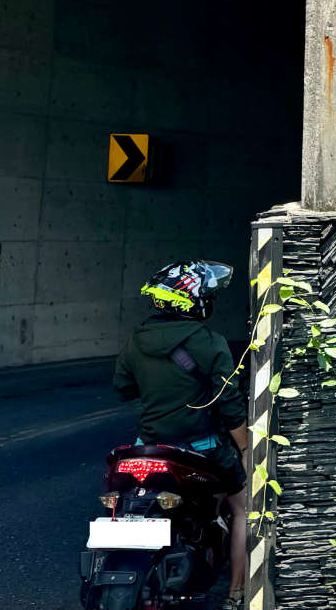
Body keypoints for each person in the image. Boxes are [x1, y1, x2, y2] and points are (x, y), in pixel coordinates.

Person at [112, 260, 250, 606]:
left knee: (123, 500)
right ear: (195, 301)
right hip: (200, 449)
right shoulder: (209, 341)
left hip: (148, 449)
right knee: (242, 507)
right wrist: (245, 448)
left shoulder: (135, 340)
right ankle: (235, 594)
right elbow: (229, 403)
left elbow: (124, 388)